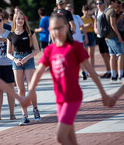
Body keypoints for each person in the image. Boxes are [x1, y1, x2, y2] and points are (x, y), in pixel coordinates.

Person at [20, 15, 110, 145]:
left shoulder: (76, 47)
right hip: (59, 99)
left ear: (67, 27)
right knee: (70, 136)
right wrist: (29, 95)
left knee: (60, 137)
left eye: (60, 28)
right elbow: (38, 72)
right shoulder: (50, 50)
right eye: (53, 29)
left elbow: (91, 72)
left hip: (73, 98)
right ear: (49, 30)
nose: (57, 31)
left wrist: (103, 93)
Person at [7, 11, 40, 126]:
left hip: (28, 59)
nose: (20, 20)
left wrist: (27, 57)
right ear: (15, 20)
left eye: (22, 18)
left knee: (30, 87)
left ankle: (35, 108)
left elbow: (36, 49)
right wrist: (15, 59)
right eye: (18, 19)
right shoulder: (10, 34)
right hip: (17, 61)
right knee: (20, 89)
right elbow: (8, 53)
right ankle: (24, 115)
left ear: (24, 20)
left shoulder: (30, 32)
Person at [105, 0, 124, 83]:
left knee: (112, 55)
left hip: (107, 36)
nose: (117, 4)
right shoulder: (112, 11)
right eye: (116, 2)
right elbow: (113, 24)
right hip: (113, 36)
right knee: (121, 54)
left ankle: (113, 75)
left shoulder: (106, 11)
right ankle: (120, 74)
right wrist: (118, 35)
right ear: (112, 2)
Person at [94, 0, 111, 79]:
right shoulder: (96, 12)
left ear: (103, 3)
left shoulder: (106, 11)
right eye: (97, 4)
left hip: (106, 35)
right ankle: (108, 71)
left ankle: (112, 71)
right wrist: (95, 29)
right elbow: (95, 22)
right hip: (99, 36)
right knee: (103, 54)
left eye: (100, 3)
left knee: (108, 54)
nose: (98, 5)